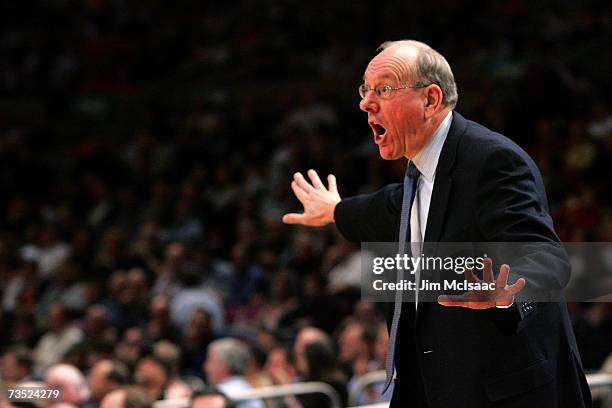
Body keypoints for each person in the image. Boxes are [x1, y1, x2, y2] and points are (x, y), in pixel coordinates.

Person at [282, 39, 592, 407]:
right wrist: (334, 210)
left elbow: (546, 256)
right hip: (437, 389)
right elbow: (377, 210)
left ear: (430, 99)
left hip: (506, 393)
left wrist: (510, 295)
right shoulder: (418, 179)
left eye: (383, 89)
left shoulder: (492, 159)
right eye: (365, 90)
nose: (366, 103)